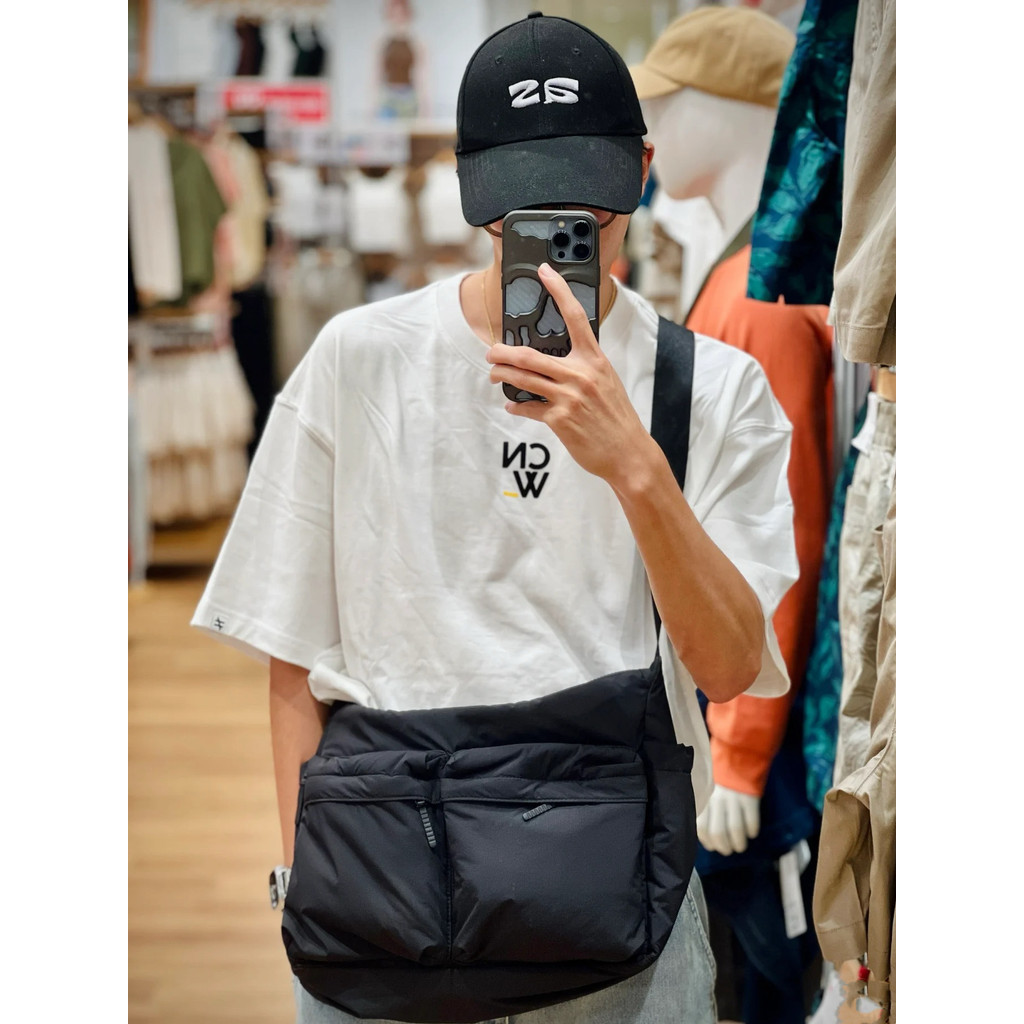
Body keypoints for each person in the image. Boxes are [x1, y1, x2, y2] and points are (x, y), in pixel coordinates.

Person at [192, 12, 798, 1024]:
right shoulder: (360, 359)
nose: (556, 238)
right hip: (380, 890)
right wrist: (305, 889)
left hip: (618, 914)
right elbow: (291, 651)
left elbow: (731, 666)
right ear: (473, 195)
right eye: (524, 210)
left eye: (585, 207)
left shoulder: (712, 388)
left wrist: (635, 468)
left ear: (640, 173)